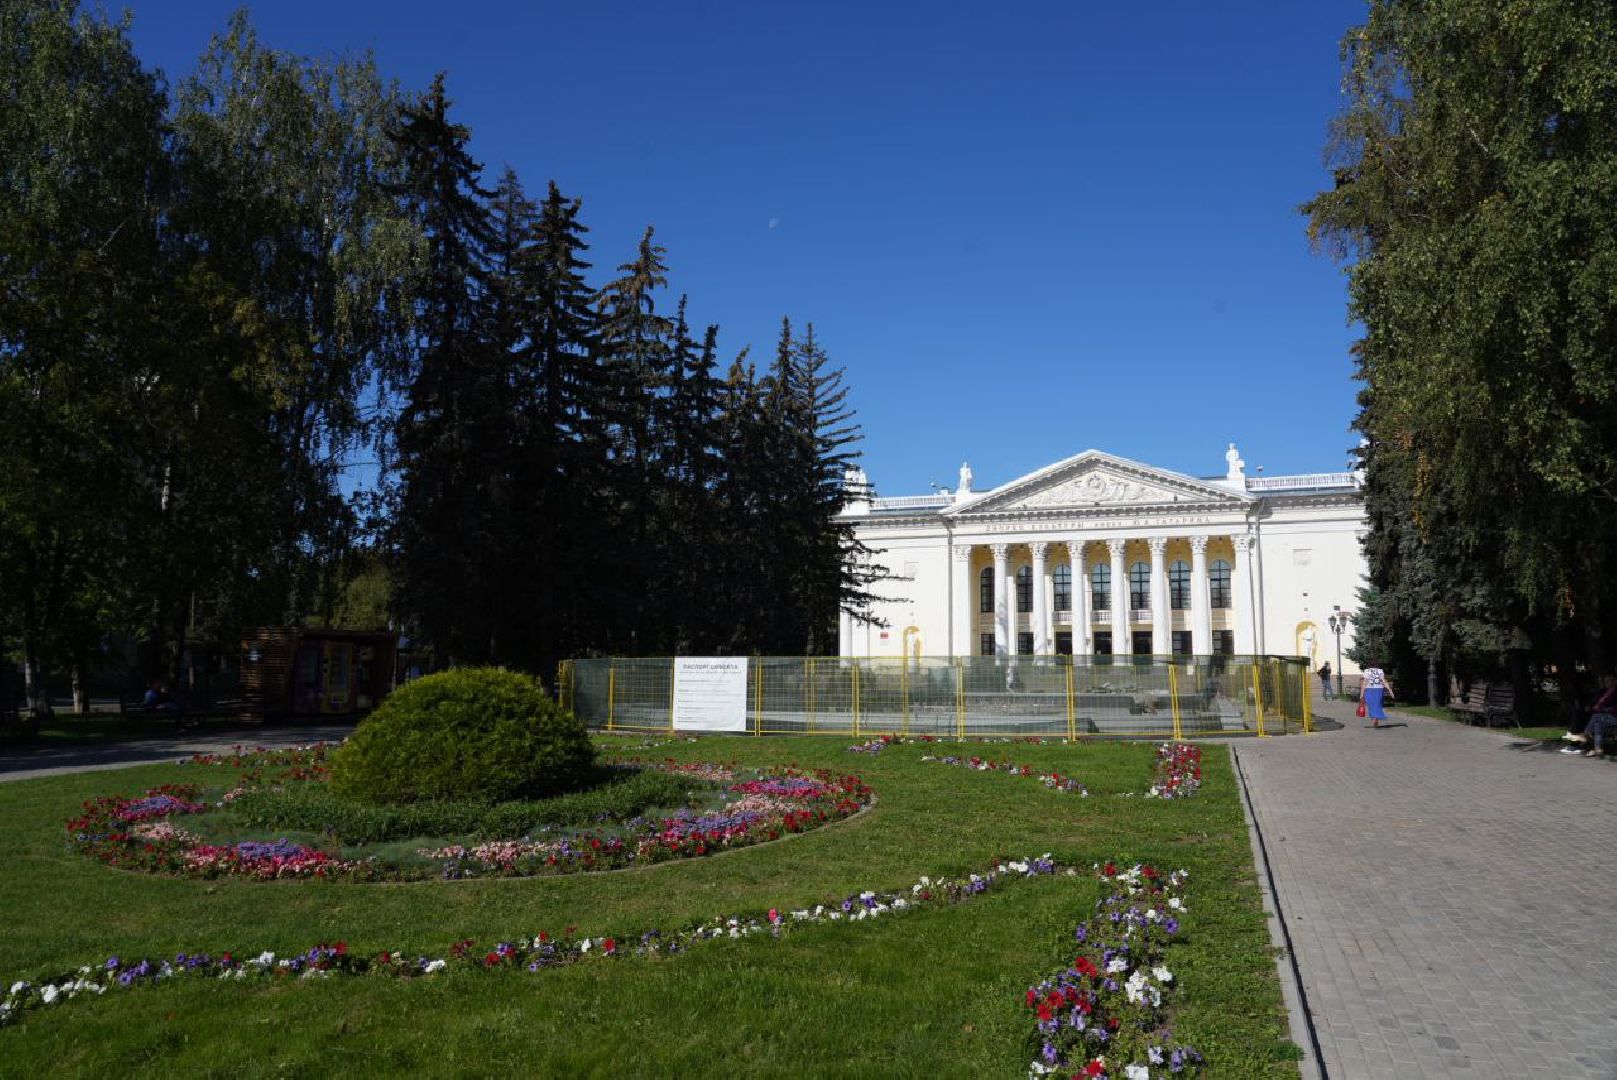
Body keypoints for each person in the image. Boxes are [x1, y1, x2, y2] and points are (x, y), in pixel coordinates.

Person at [1561, 674, 1617, 757]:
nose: (1607, 683)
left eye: (1610, 681)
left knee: (1597, 718)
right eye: (1606, 681)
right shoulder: (1603, 691)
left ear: (1615, 681)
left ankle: (1584, 736)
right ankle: (1597, 749)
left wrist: (1607, 709)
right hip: (1600, 714)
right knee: (1588, 717)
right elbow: (1594, 701)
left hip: (1613, 716)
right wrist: (1590, 706)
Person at [1360, 663, 1392, 728]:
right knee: (1377, 704)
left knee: (1370, 704)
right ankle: (1376, 718)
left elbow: (1365, 682)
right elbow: (1384, 681)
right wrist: (1390, 690)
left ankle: (1374, 717)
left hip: (1369, 689)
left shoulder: (1367, 671)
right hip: (1379, 689)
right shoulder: (1380, 671)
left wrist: (1362, 694)